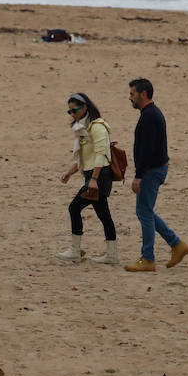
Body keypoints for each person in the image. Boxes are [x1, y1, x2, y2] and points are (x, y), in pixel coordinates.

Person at [124, 78, 188, 272]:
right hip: (154, 169)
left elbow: (148, 150)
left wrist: (139, 176)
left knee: (144, 212)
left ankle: (148, 258)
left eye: (132, 94)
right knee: (146, 211)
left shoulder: (150, 116)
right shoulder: (150, 114)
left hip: (151, 171)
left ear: (143, 94)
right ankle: (177, 245)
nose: (130, 98)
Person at [57, 92, 119, 265]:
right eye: (69, 111)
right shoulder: (84, 129)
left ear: (85, 107)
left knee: (74, 208)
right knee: (104, 215)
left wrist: (93, 179)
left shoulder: (97, 127)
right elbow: (84, 159)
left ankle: (75, 251)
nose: (72, 114)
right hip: (94, 176)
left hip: (99, 176)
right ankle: (111, 254)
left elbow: (101, 155)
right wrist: (69, 173)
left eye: (74, 110)